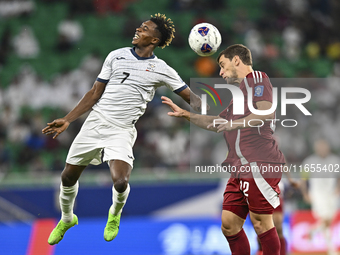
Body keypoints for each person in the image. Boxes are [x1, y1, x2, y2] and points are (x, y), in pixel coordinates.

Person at [42, 13, 202, 245]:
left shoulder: (161, 68)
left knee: (120, 182)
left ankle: (114, 215)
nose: (138, 29)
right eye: (141, 26)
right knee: (67, 176)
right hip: (95, 123)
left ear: (154, 40)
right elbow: (94, 93)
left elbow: (193, 99)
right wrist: (68, 119)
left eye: (145, 28)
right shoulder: (116, 56)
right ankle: (67, 218)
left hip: (122, 130)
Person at [162, 44, 286, 255]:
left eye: (222, 65)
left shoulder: (257, 78)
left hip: (259, 162)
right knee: (229, 224)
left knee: (261, 224)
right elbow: (218, 123)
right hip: (239, 167)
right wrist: (186, 115)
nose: (220, 72)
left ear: (236, 60)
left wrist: (234, 124)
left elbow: (266, 113)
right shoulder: (239, 96)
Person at [300, 139, 340, 255]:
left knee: (329, 221)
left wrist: (338, 188)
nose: (322, 149)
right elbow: (303, 180)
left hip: (332, 194)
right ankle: (331, 249)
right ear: (316, 148)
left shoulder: (335, 160)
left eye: (324, 146)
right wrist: (305, 193)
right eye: (320, 147)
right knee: (325, 220)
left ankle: (313, 230)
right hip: (318, 194)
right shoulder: (309, 161)